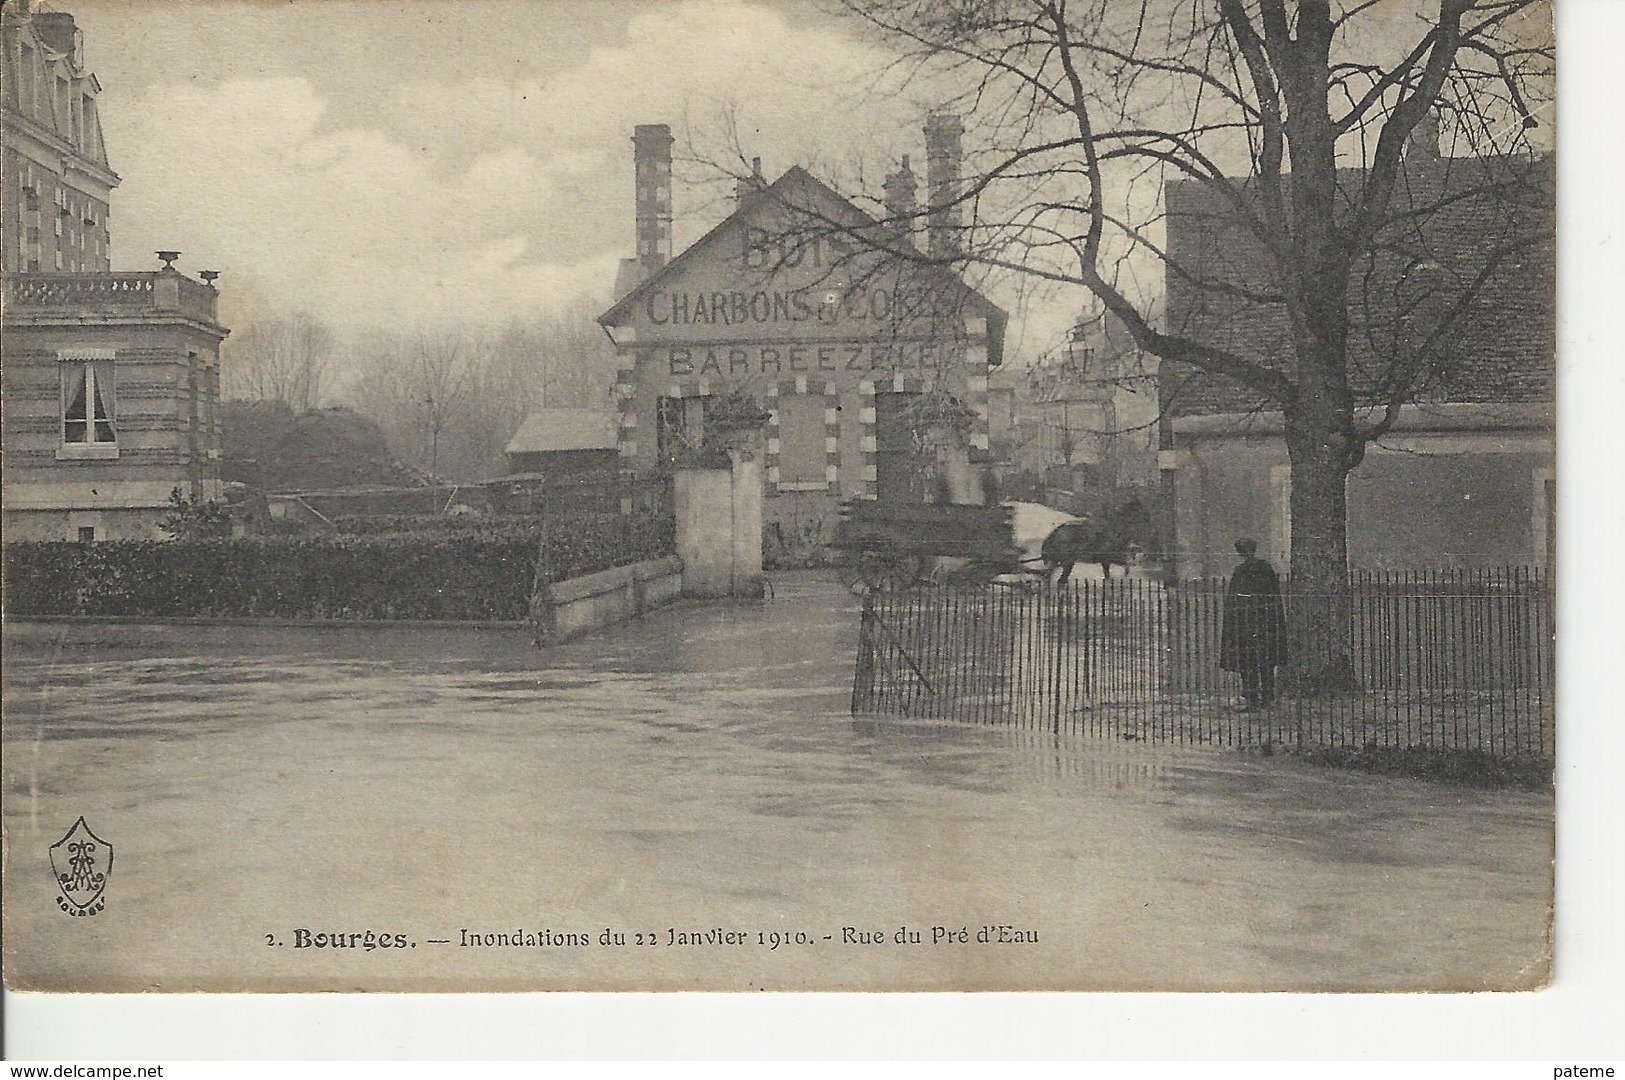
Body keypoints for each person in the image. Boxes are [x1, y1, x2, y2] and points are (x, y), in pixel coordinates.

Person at [1220, 538, 1287, 709]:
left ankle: (1254, 697)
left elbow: (1234, 600)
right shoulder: (1264, 569)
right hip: (1262, 623)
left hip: (1248, 624)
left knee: (1250, 661)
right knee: (1264, 660)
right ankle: (1265, 696)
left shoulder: (1242, 572)